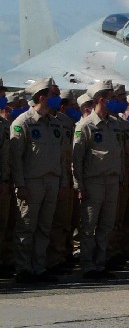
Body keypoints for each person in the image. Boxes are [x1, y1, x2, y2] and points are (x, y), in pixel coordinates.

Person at [9, 77, 68, 283]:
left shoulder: (55, 124)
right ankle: (24, 269)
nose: (56, 99)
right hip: (31, 182)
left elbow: (61, 156)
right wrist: (20, 184)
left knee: (45, 227)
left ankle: (39, 267)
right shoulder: (22, 123)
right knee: (26, 227)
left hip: (51, 181)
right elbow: (16, 159)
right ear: (42, 97)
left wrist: (62, 182)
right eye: (53, 95)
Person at [72, 80, 126, 279]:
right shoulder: (86, 125)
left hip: (111, 181)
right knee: (88, 226)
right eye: (111, 99)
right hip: (93, 181)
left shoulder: (114, 125)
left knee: (106, 226)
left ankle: (100, 263)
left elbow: (118, 154)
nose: (114, 102)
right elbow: (77, 158)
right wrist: (79, 185)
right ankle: (87, 264)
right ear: (101, 100)